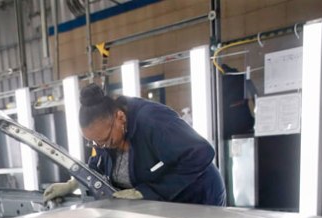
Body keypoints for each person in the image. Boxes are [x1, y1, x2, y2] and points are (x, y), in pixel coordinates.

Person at [44, 83, 226, 206]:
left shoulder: (153, 121)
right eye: (94, 142)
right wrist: (73, 184)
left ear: (120, 118)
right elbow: (97, 164)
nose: (102, 146)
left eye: (105, 140)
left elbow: (201, 153)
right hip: (163, 206)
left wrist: (146, 192)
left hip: (199, 199)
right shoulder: (105, 137)